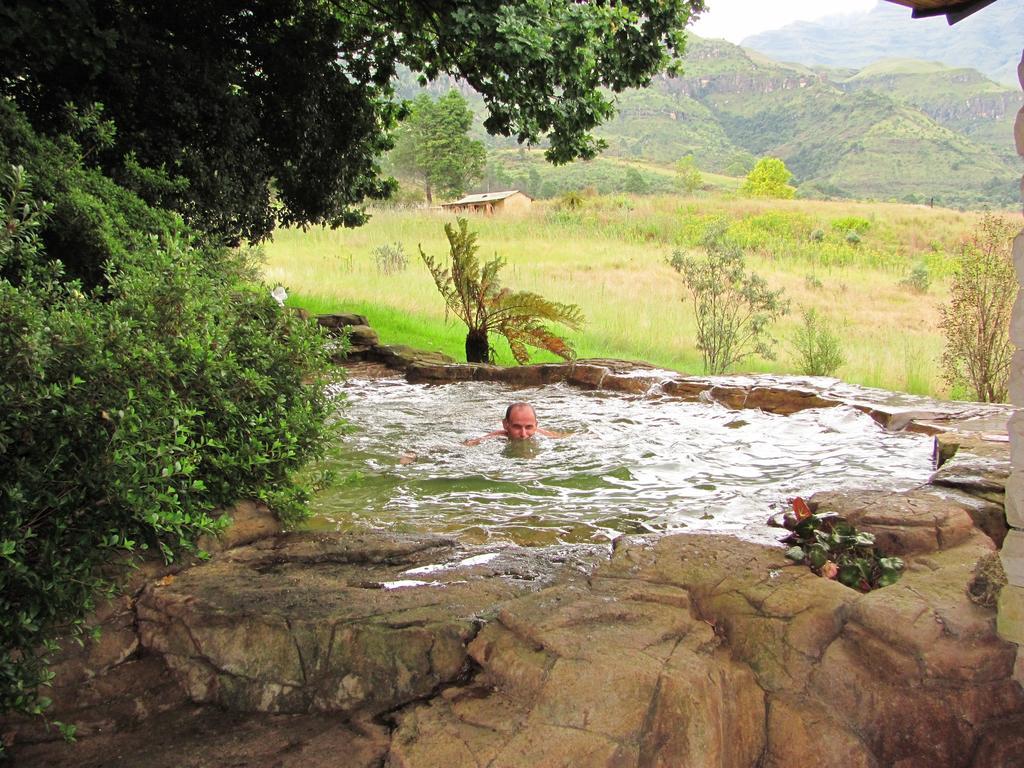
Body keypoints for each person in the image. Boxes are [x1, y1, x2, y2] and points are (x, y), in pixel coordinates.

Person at [464, 402, 565, 446]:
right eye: (517, 427)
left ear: (536, 425)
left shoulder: (544, 435)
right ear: (505, 425)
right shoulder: (496, 437)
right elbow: (469, 444)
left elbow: (566, 438)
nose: (523, 434)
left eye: (529, 427)